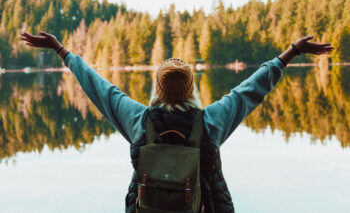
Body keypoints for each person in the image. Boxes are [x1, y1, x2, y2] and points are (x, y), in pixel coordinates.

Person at [21, 31, 334, 212]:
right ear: (191, 89)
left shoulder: (139, 120)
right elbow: (253, 87)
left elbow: (98, 87)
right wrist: (293, 51)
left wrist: (61, 50)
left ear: (158, 88)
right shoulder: (211, 121)